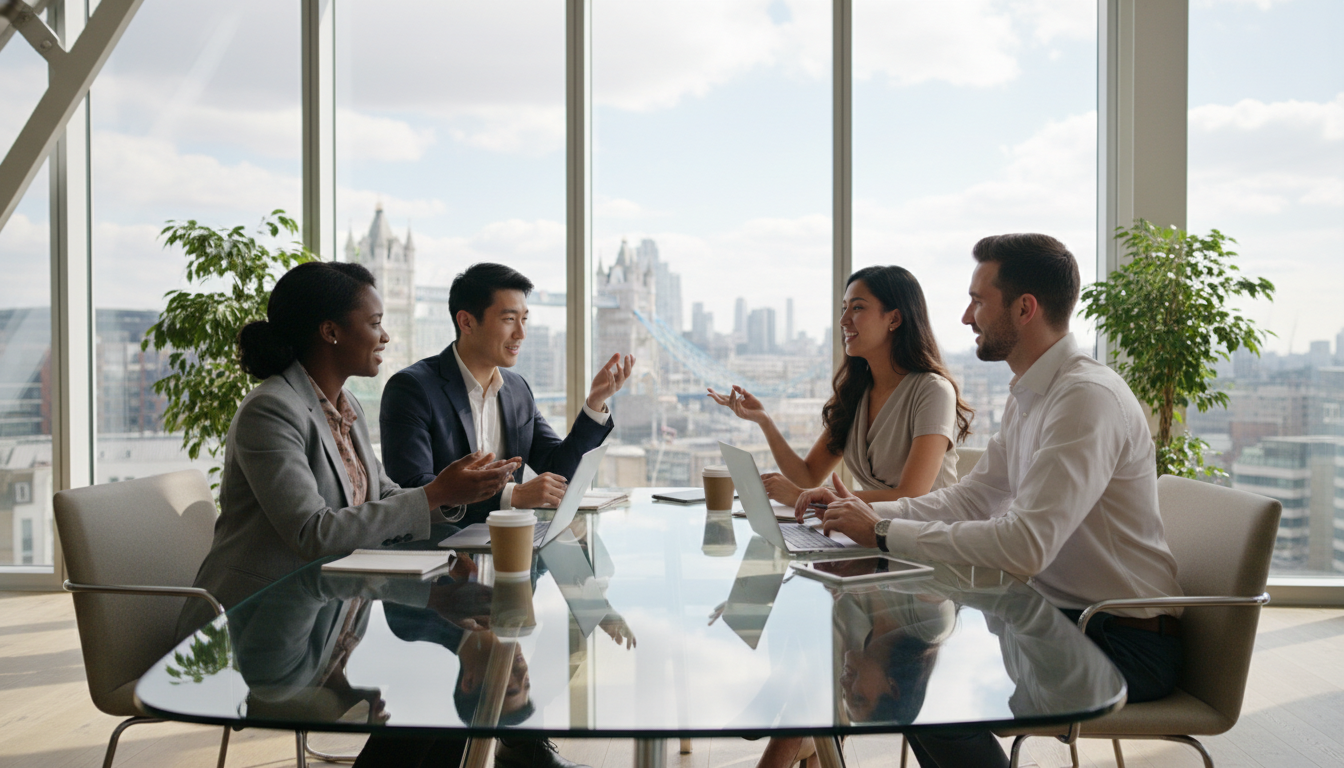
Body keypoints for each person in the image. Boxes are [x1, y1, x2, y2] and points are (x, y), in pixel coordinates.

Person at [812, 234, 1184, 768]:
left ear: (1025, 308)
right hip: (1049, 620)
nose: (966, 317)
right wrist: (868, 516)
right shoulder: (1033, 396)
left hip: (1117, 643)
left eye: (978, 300)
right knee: (912, 674)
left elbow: (1024, 545)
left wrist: (884, 532)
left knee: (927, 698)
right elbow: (974, 497)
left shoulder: (1085, 399)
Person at [177, 261, 518, 642]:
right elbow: (313, 533)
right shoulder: (270, 410)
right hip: (254, 625)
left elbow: (383, 494)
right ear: (331, 332)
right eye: (374, 323)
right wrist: (436, 492)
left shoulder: (343, 403)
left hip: (329, 615)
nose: (385, 336)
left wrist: (456, 492)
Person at [381, 263, 632, 523]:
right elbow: (413, 491)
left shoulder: (517, 389)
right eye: (509, 320)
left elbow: (559, 472)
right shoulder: (412, 389)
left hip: (511, 547)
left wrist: (595, 403)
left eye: (524, 320)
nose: (521, 333)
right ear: (466, 322)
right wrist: (512, 495)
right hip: (439, 554)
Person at [708, 265, 973, 509]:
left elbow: (913, 494)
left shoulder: (933, 391)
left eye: (857, 308)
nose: (843, 320)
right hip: (874, 535)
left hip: (927, 541)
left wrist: (808, 499)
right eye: (844, 308)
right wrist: (764, 421)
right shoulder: (856, 393)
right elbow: (808, 475)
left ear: (894, 319)